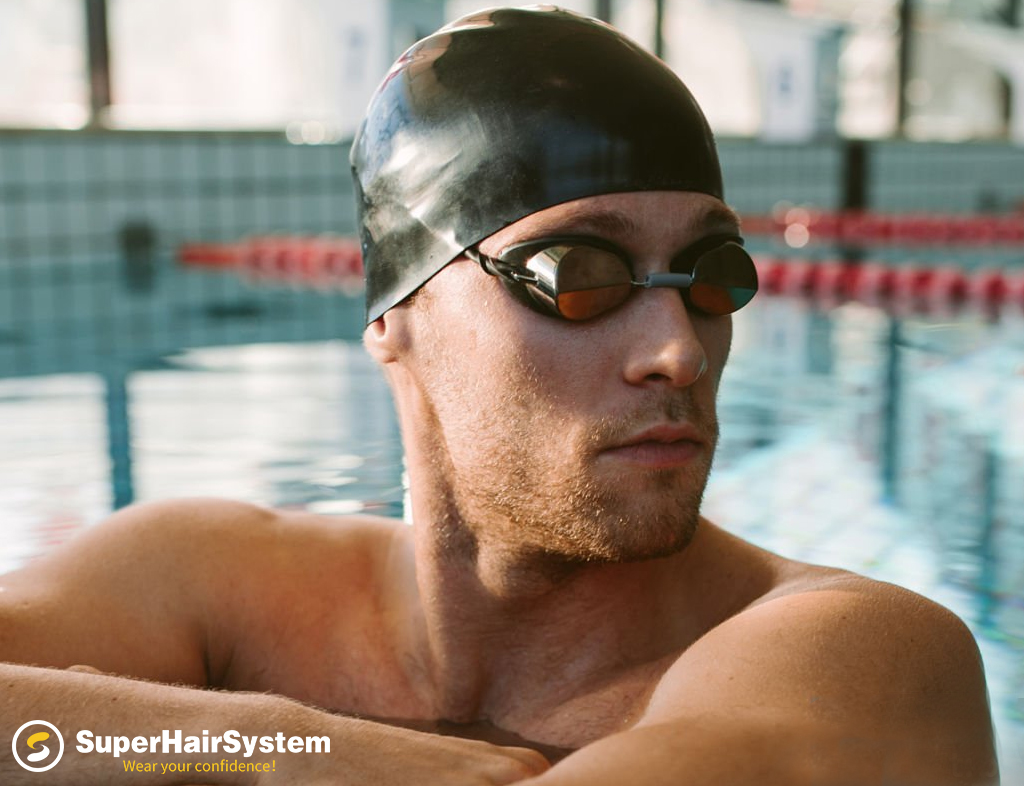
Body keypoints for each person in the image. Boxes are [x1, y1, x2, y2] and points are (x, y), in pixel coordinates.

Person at [0, 7, 999, 785]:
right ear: (399, 317)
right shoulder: (203, 577)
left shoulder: (858, 649)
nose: (678, 351)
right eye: (577, 274)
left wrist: (134, 744)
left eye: (709, 276)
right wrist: (277, 746)